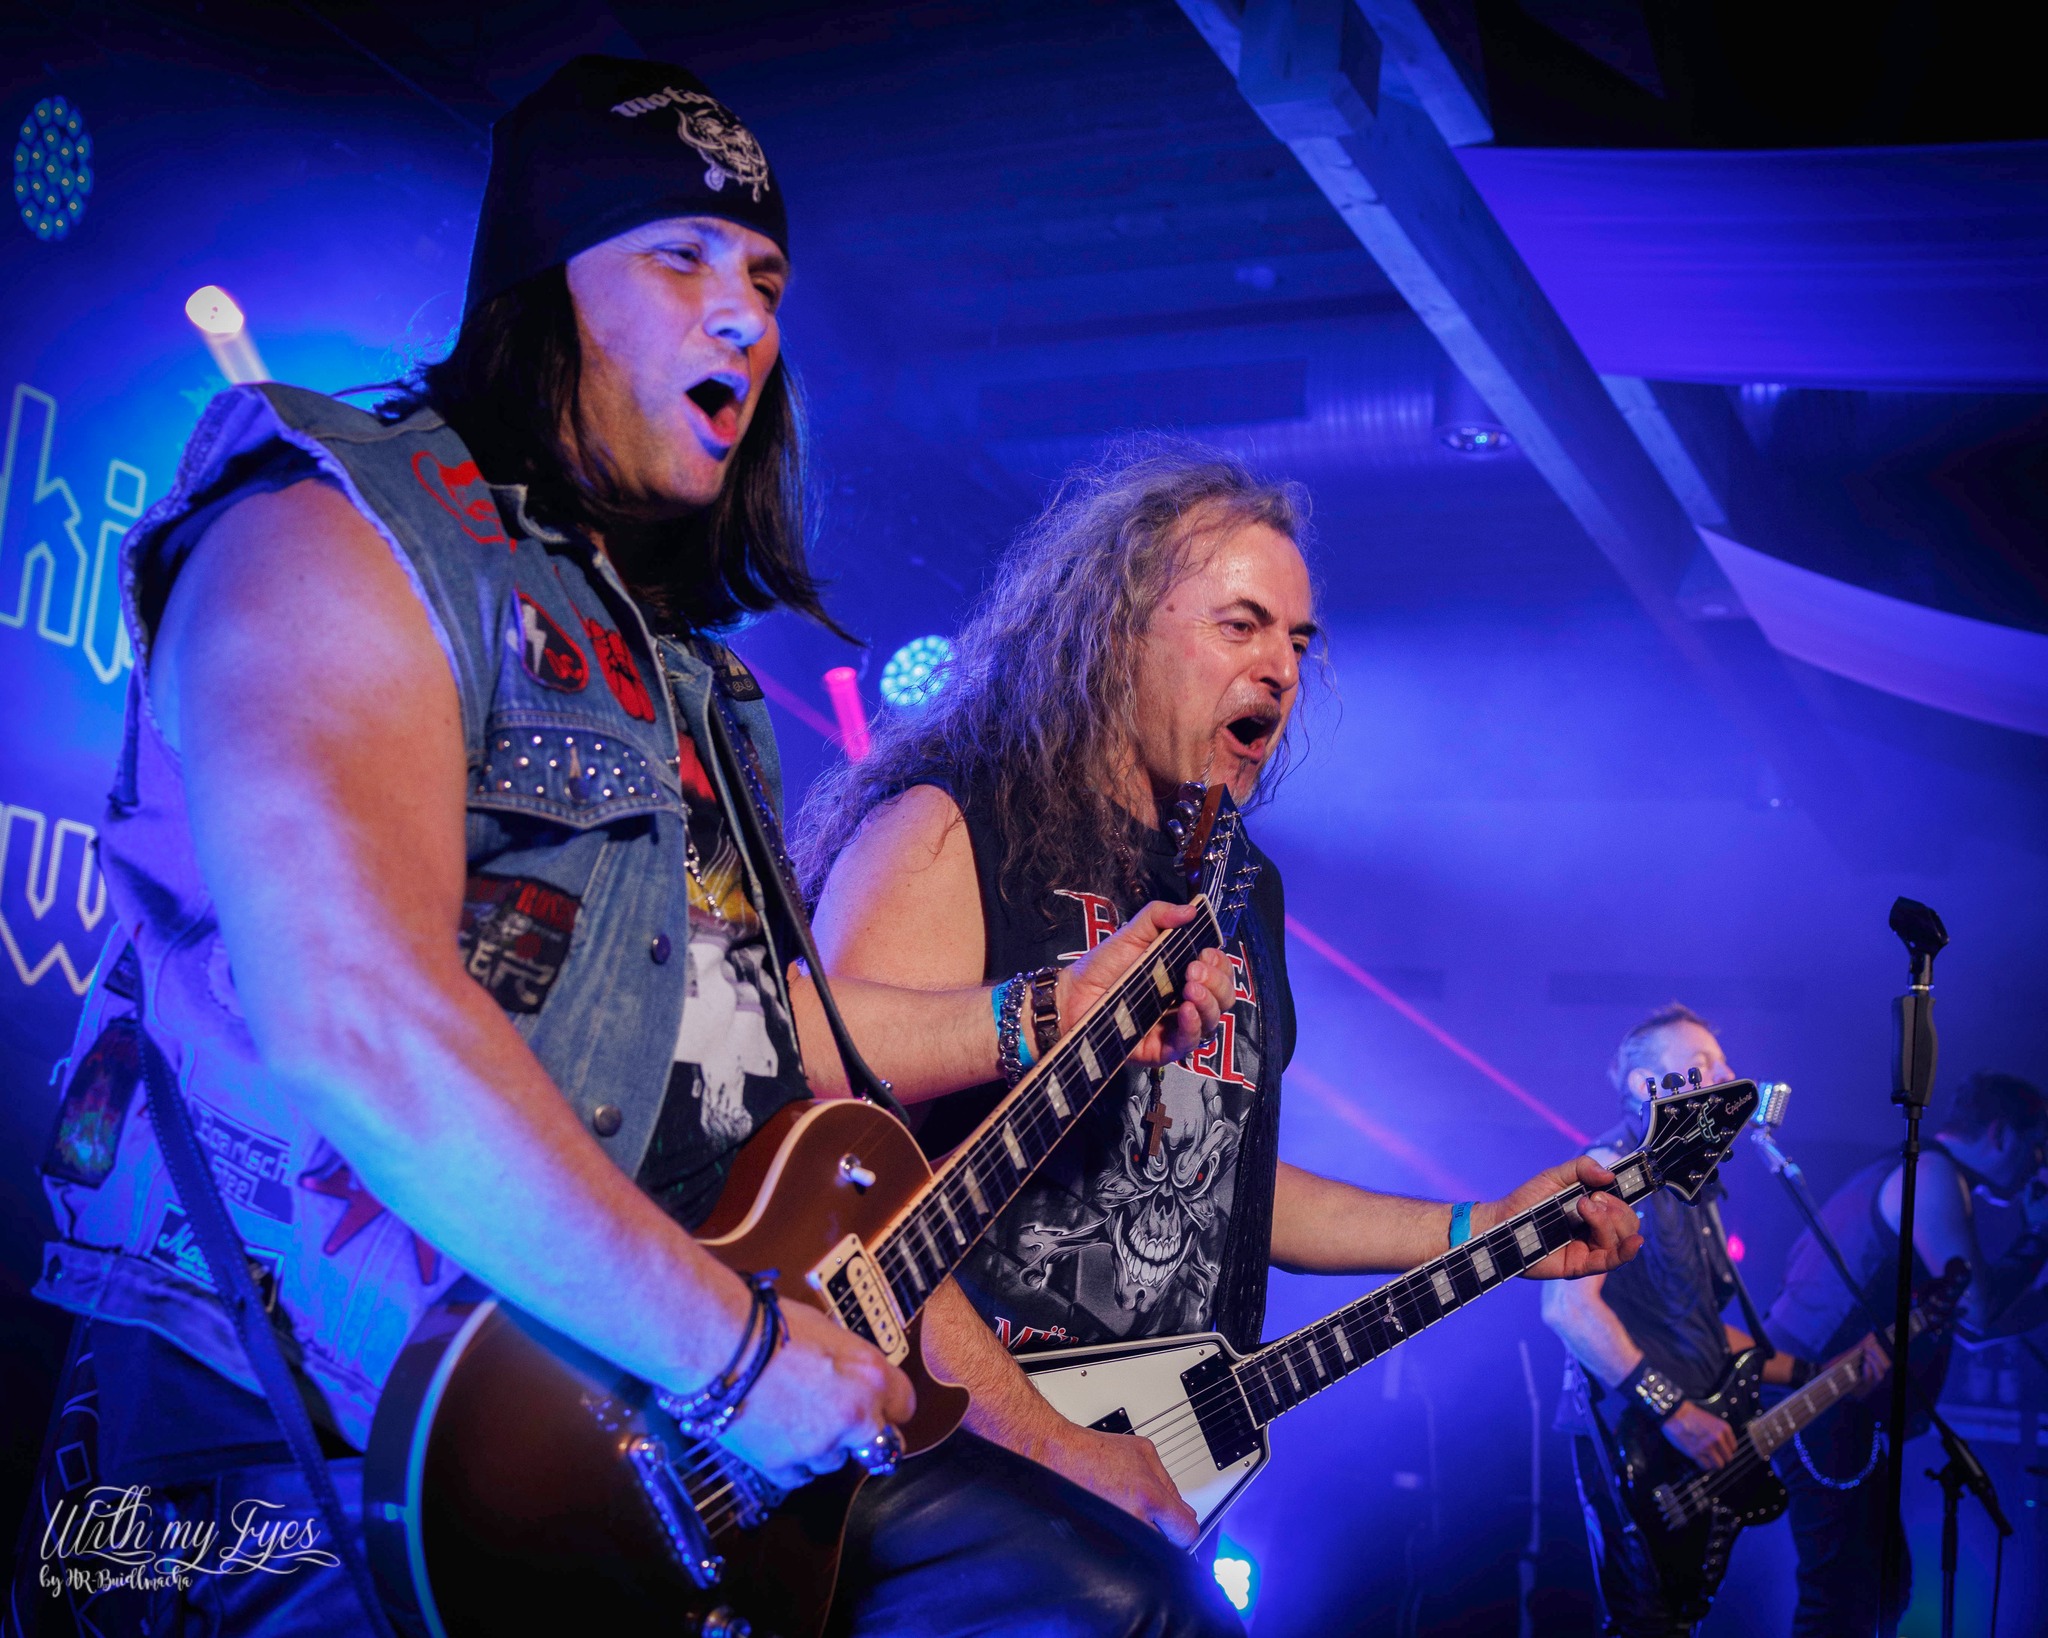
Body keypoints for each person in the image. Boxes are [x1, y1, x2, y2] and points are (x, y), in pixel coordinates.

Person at [10, 58, 1241, 1638]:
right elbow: (357, 1015)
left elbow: (768, 1086)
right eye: (680, 257)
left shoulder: (679, 677)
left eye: (766, 278)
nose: (743, 315)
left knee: (1122, 1607)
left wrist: (1054, 1417)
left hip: (627, 1414)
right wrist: (732, 1352)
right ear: (543, 289)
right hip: (287, 1433)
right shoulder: (324, 528)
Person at [795, 447, 1643, 1625]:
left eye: (1296, 641)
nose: (1279, 669)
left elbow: (1224, 1179)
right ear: (1110, 635)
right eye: (1240, 625)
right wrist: (1051, 1445)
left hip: (1131, 1456)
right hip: (945, 1447)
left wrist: (1479, 1228)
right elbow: (839, 1198)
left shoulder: (1240, 894)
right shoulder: (950, 829)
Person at [1541, 1005, 1824, 1637]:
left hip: (1693, 1440)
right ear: (1647, 1085)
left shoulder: (1691, 1181)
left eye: (1723, 1062)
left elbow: (1700, 1328)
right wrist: (1674, 1412)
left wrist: (1815, 1373)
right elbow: (1567, 1307)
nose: (1725, 1075)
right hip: (1636, 1438)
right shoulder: (1608, 1168)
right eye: (1701, 1064)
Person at [1764, 1069, 2048, 1638]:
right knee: (1846, 1593)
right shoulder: (1934, 1176)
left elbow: (1969, 1322)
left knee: (1882, 1584)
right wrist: (2038, 1237)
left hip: (1836, 1399)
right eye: (2036, 1145)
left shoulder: (1919, 1170)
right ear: (1999, 1134)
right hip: (1817, 1397)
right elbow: (1979, 1309)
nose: (2039, 1165)